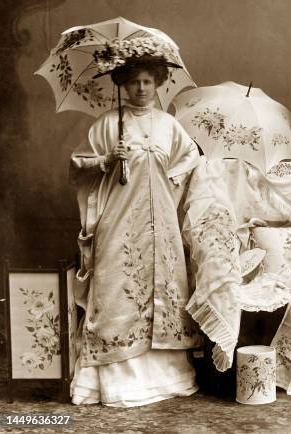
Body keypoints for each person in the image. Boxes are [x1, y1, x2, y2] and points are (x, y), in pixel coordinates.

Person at [69, 50, 201, 406]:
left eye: (147, 82)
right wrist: (106, 161)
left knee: (166, 287)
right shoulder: (108, 125)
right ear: (122, 85)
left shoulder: (168, 125)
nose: (141, 88)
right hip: (119, 221)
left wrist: (170, 182)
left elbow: (190, 159)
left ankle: (165, 377)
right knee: (117, 288)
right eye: (133, 82)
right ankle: (116, 381)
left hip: (161, 222)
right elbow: (76, 167)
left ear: (158, 83)